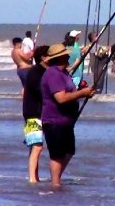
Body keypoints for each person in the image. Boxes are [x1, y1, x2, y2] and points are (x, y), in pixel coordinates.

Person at [40, 43, 96, 186]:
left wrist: (82, 91)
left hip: (66, 121)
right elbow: (61, 98)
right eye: (66, 55)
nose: (69, 56)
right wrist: (82, 93)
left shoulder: (63, 73)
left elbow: (69, 92)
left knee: (69, 151)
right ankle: (55, 183)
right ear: (60, 57)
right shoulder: (53, 73)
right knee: (57, 155)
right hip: (54, 121)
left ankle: (56, 178)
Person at [22, 45, 49, 183]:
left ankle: (35, 175)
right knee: (37, 146)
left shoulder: (43, 71)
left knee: (35, 146)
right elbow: (42, 91)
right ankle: (32, 178)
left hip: (37, 112)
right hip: (33, 113)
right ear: (44, 58)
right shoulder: (36, 72)